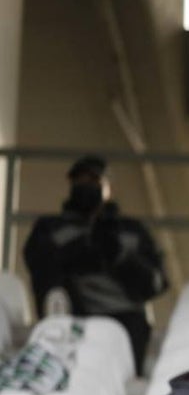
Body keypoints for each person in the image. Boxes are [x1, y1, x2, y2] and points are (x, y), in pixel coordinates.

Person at [23, 155, 168, 376]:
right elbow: (40, 266)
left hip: (126, 321)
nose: (86, 186)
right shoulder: (50, 228)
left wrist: (120, 259)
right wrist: (80, 251)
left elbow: (157, 283)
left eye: (93, 180)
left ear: (108, 186)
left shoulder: (132, 231)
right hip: (75, 318)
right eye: (80, 181)